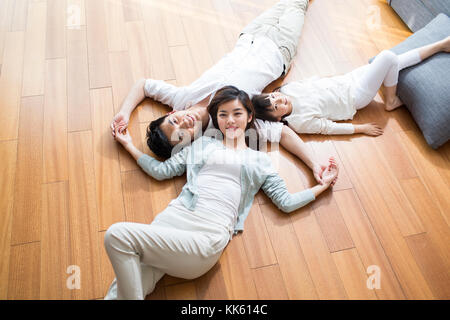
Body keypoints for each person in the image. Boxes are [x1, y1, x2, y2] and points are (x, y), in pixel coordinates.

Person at [105, 86, 338, 299]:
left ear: (249, 116)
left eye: (237, 113)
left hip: (206, 239)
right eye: (223, 115)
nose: (230, 120)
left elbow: (285, 202)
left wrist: (322, 186)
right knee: (120, 288)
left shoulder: (260, 162)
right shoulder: (203, 145)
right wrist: (128, 145)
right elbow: (161, 170)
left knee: (116, 236)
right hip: (171, 220)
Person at [110, 0, 334, 184]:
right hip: (279, 49)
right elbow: (282, 134)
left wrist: (124, 113)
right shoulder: (227, 125)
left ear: (171, 114)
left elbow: (143, 85)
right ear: (190, 141)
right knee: (298, 4)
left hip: (251, 35)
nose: (183, 123)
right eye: (181, 134)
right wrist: (314, 164)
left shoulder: (180, 99)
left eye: (174, 122)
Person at [251, 36, 450, 136]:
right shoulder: (299, 122)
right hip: (355, 96)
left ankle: (440, 46)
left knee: (394, 61)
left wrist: (340, 77)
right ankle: (390, 101)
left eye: (273, 98)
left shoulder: (287, 90)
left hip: (348, 79)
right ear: (278, 118)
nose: (279, 100)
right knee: (388, 57)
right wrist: (361, 128)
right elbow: (329, 128)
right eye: (277, 107)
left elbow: (317, 81)